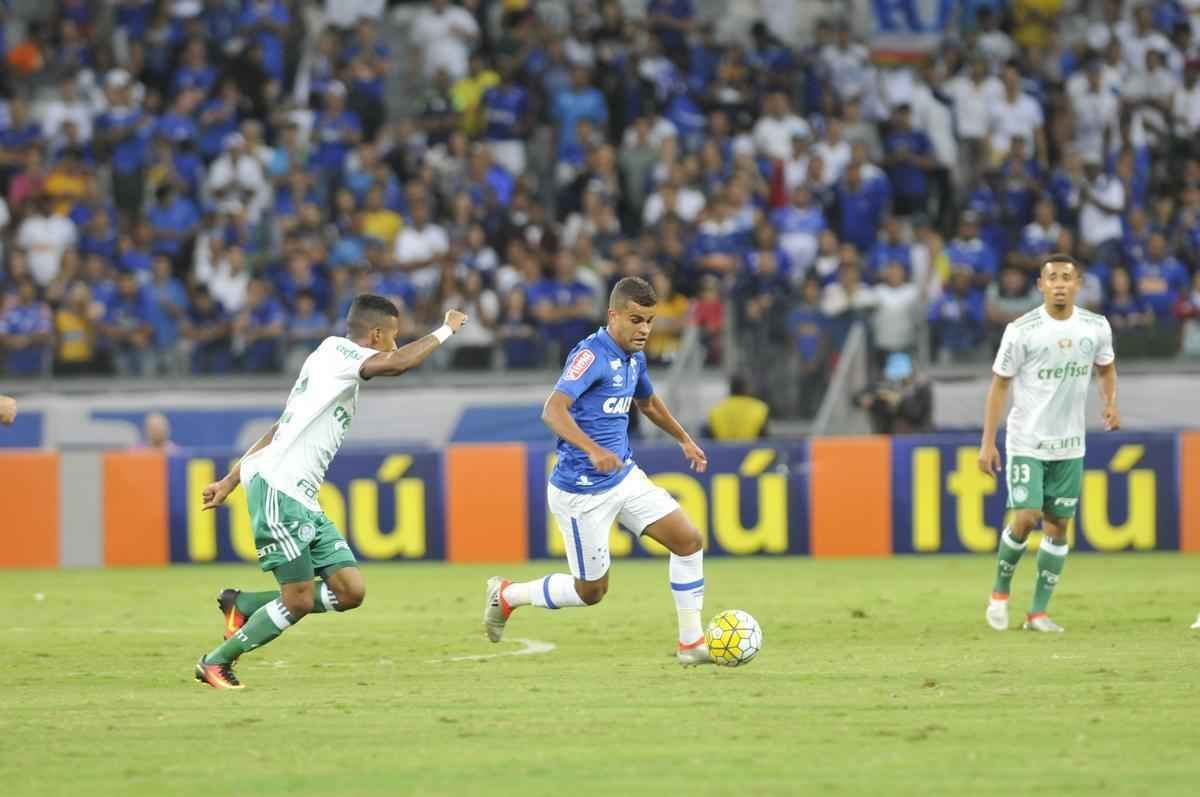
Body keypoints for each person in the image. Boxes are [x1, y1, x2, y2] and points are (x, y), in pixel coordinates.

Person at [194, 296, 468, 689]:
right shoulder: (342, 355)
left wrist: (228, 481)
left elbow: (281, 428)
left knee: (350, 591)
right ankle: (216, 662)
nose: (394, 345)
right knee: (298, 599)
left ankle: (246, 604)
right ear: (376, 334)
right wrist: (446, 329)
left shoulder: (326, 358)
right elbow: (398, 363)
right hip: (280, 487)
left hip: (300, 495)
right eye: (392, 336)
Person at [483, 277, 712, 666]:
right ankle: (508, 595)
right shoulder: (590, 355)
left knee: (688, 541)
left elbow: (648, 403)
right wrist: (593, 450)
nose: (644, 329)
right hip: (582, 491)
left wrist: (684, 439)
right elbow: (552, 410)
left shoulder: (634, 357)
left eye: (649, 321)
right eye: (636, 320)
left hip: (624, 477)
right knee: (591, 592)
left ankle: (691, 644)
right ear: (613, 315)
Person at [980, 254, 1120, 634]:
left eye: (1066, 277)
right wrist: (988, 442)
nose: (1059, 284)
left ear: (1078, 285)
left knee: (1058, 526)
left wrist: (1110, 403)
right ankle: (1000, 592)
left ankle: (1037, 613)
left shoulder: (1096, 327)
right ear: (1041, 285)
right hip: (1027, 440)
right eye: (1052, 278)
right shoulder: (1021, 330)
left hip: (1070, 445)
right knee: (1026, 518)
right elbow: (1000, 385)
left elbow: (1106, 369)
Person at [704, 373, 769, 441]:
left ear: (730, 388)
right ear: (747, 388)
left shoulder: (716, 409)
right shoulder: (760, 408)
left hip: (722, 447)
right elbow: (764, 437)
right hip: (752, 447)